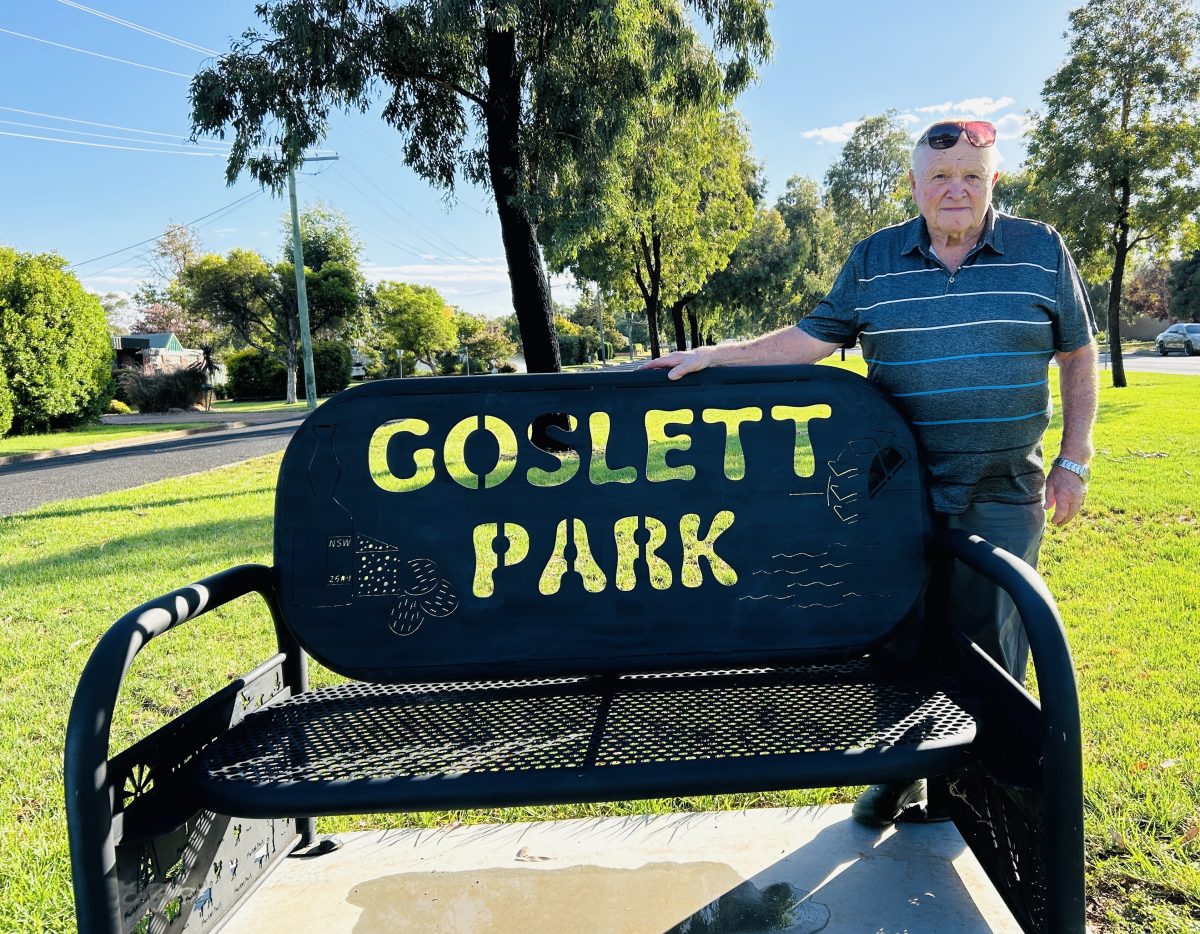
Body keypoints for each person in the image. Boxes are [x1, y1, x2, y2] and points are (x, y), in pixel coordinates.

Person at [641, 118, 1099, 825]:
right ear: (914, 185)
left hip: (1003, 490)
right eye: (940, 177)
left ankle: (984, 800)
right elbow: (807, 340)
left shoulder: (1041, 250)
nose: (956, 189)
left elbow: (1078, 353)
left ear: (993, 183)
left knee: (996, 646)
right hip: (894, 498)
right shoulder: (874, 259)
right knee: (900, 639)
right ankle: (900, 774)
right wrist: (717, 356)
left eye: (972, 176)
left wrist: (1074, 459)